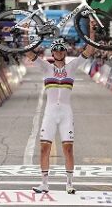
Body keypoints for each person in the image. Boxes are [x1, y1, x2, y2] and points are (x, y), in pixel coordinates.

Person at [25, 38, 95, 194]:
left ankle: (69, 183)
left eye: (61, 49)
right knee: (44, 148)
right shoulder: (46, 67)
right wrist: (27, 33)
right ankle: (44, 184)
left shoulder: (72, 67)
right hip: (49, 114)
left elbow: (90, 50)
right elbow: (28, 52)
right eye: (56, 49)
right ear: (52, 52)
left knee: (68, 149)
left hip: (66, 114)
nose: (58, 52)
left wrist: (91, 29)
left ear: (65, 52)